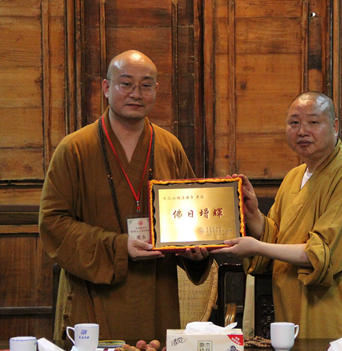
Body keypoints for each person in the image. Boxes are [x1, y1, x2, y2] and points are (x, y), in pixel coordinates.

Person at [39, 50, 211, 344]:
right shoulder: (74, 149)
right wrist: (119, 247)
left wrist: (196, 250)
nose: (136, 93)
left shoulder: (170, 147)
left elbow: (192, 216)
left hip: (158, 292)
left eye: (146, 85)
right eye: (126, 84)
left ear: (156, 91)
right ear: (106, 88)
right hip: (95, 296)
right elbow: (52, 223)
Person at [214, 92, 342, 338]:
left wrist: (257, 247)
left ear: (335, 127)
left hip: (336, 315)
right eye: (294, 123)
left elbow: (319, 254)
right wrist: (253, 214)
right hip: (291, 311)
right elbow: (278, 238)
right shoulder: (294, 177)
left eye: (313, 122)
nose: (302, 131)